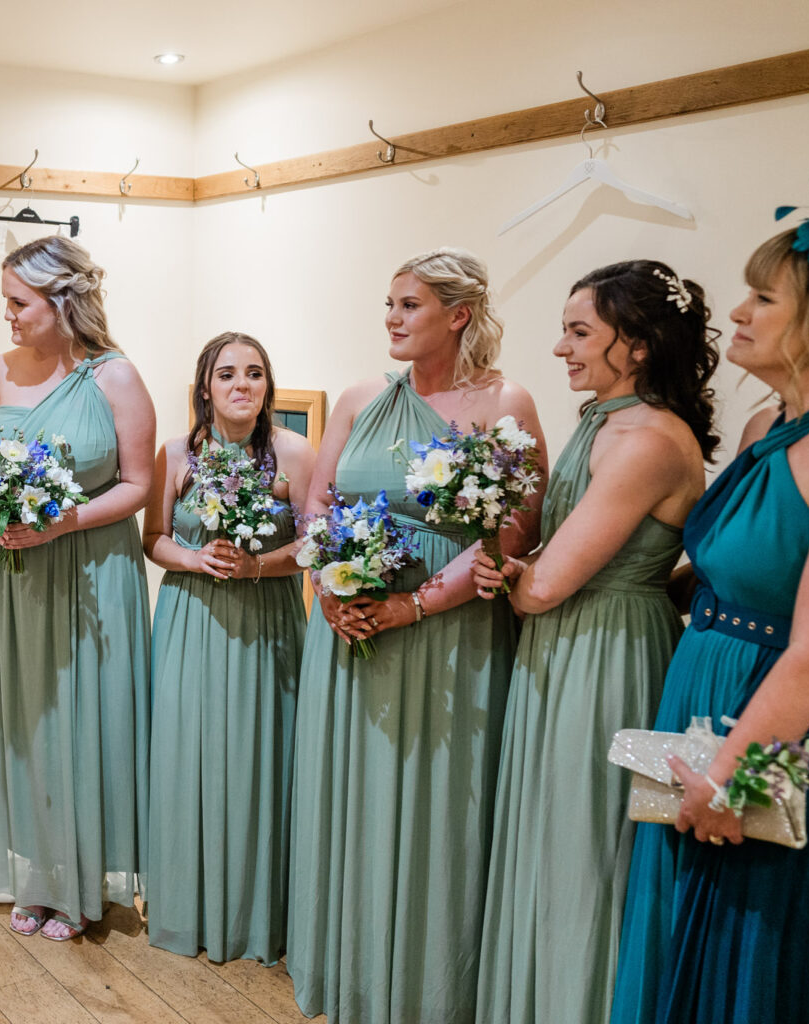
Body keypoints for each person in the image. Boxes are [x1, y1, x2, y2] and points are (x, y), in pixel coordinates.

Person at [284, 248, 547, 1024]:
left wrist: (413, 607)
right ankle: (352, 972)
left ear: (458, 314)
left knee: (437, 806)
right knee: (350, 797)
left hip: (449, 635)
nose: (392, 320)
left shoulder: (507, 403)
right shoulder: (365, 397)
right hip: (349, 627)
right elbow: (319, 506)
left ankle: (426, 988)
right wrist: (333, 589)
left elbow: (516, 529)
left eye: (409, 306)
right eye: (390, 305)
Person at [472, 261, 717, 1024]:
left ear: (637, 345)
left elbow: (545, 584)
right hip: (566, 645)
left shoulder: (648, 439)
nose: (559, 349)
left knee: (585, 847)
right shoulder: (602, 420)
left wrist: (497, 570)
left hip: (606, 650)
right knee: (549, 835)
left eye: (580, 332)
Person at [610, 225, 809, 1024]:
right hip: (700, 686)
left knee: (750, 941)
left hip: (772, 721)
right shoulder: (765, 426)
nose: (737, 311)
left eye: (765, 297)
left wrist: (736, 773)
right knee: (675, 926)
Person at [0, 235, 155, 941]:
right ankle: (37, 874)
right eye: (6, 303)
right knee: (28, 718)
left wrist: (59, 523)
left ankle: (84, 881)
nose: (9, 317)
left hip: (90, 572)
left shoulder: (115, 377)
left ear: (61, 300)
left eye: (19, 303)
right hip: (16, 574)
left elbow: (138, 485)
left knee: (87, 718)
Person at [142, 331, 313, 963]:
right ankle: (186, 901)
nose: (242, 385)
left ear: (268, 386)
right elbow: (152, 537)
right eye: (227, 374)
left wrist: (259, 567)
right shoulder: (175, 454)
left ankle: (256, 912)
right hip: (190, 620)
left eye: (256, 374)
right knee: (188, 755)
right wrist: (191, 558)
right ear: (204, 387)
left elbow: (316, 544)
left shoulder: (295, 454)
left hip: (267, 622)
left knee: (259, 755)